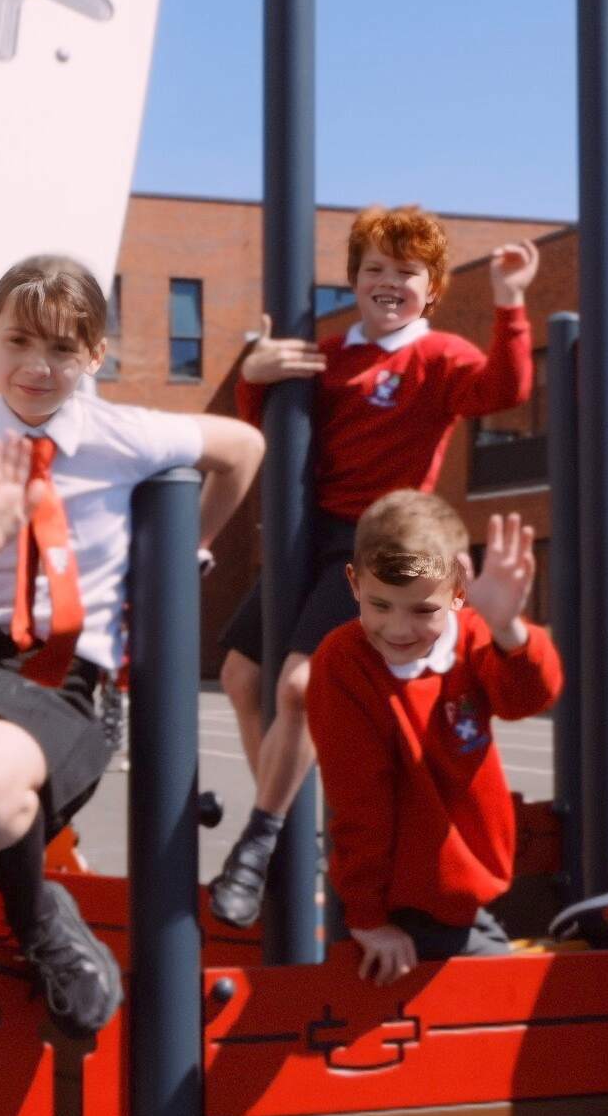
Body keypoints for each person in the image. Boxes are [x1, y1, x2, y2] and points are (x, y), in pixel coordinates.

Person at [0, 255, 262, 1034]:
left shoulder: (127, 434)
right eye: (19, 341)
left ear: (95, 357)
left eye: (64, 350)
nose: (37, 367)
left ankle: (33, 916)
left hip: (64, 677)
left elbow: (241, 449)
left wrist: (187, 551)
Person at [210, 207, 538, 927]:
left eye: (407, 273)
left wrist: (511, 303)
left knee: (299, 682)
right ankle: (285, 818)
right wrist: (252, 377)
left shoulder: (438, 357)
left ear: (434, 287)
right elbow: (268, 424)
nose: (389, 284)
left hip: (374, 542)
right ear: (353, 280)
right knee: (243, 675)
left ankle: (257, 843)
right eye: (375, 271)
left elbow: (503, 391)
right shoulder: (328, 354)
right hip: (308, 534)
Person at [301, 493, 559, 983]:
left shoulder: (472, 635)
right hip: (397, 905)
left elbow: (526, 698)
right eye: (381, 605)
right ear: (355, 585)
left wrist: (509, 629)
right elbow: (359, 800)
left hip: (462, 892)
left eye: (422, 610)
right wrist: (369, 919)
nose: (399, 629)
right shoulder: (345, 662)